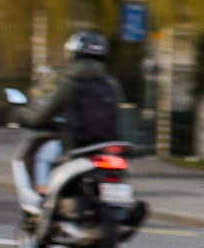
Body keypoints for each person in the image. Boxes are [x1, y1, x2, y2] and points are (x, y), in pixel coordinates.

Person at [14, 30, 123, 194]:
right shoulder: (113, 85)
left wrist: (23, 116)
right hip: (105, 147)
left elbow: (42, 116)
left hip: (74, 146)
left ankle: (44, 193)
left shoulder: (70, 83)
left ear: (73, 55)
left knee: (42, 156)